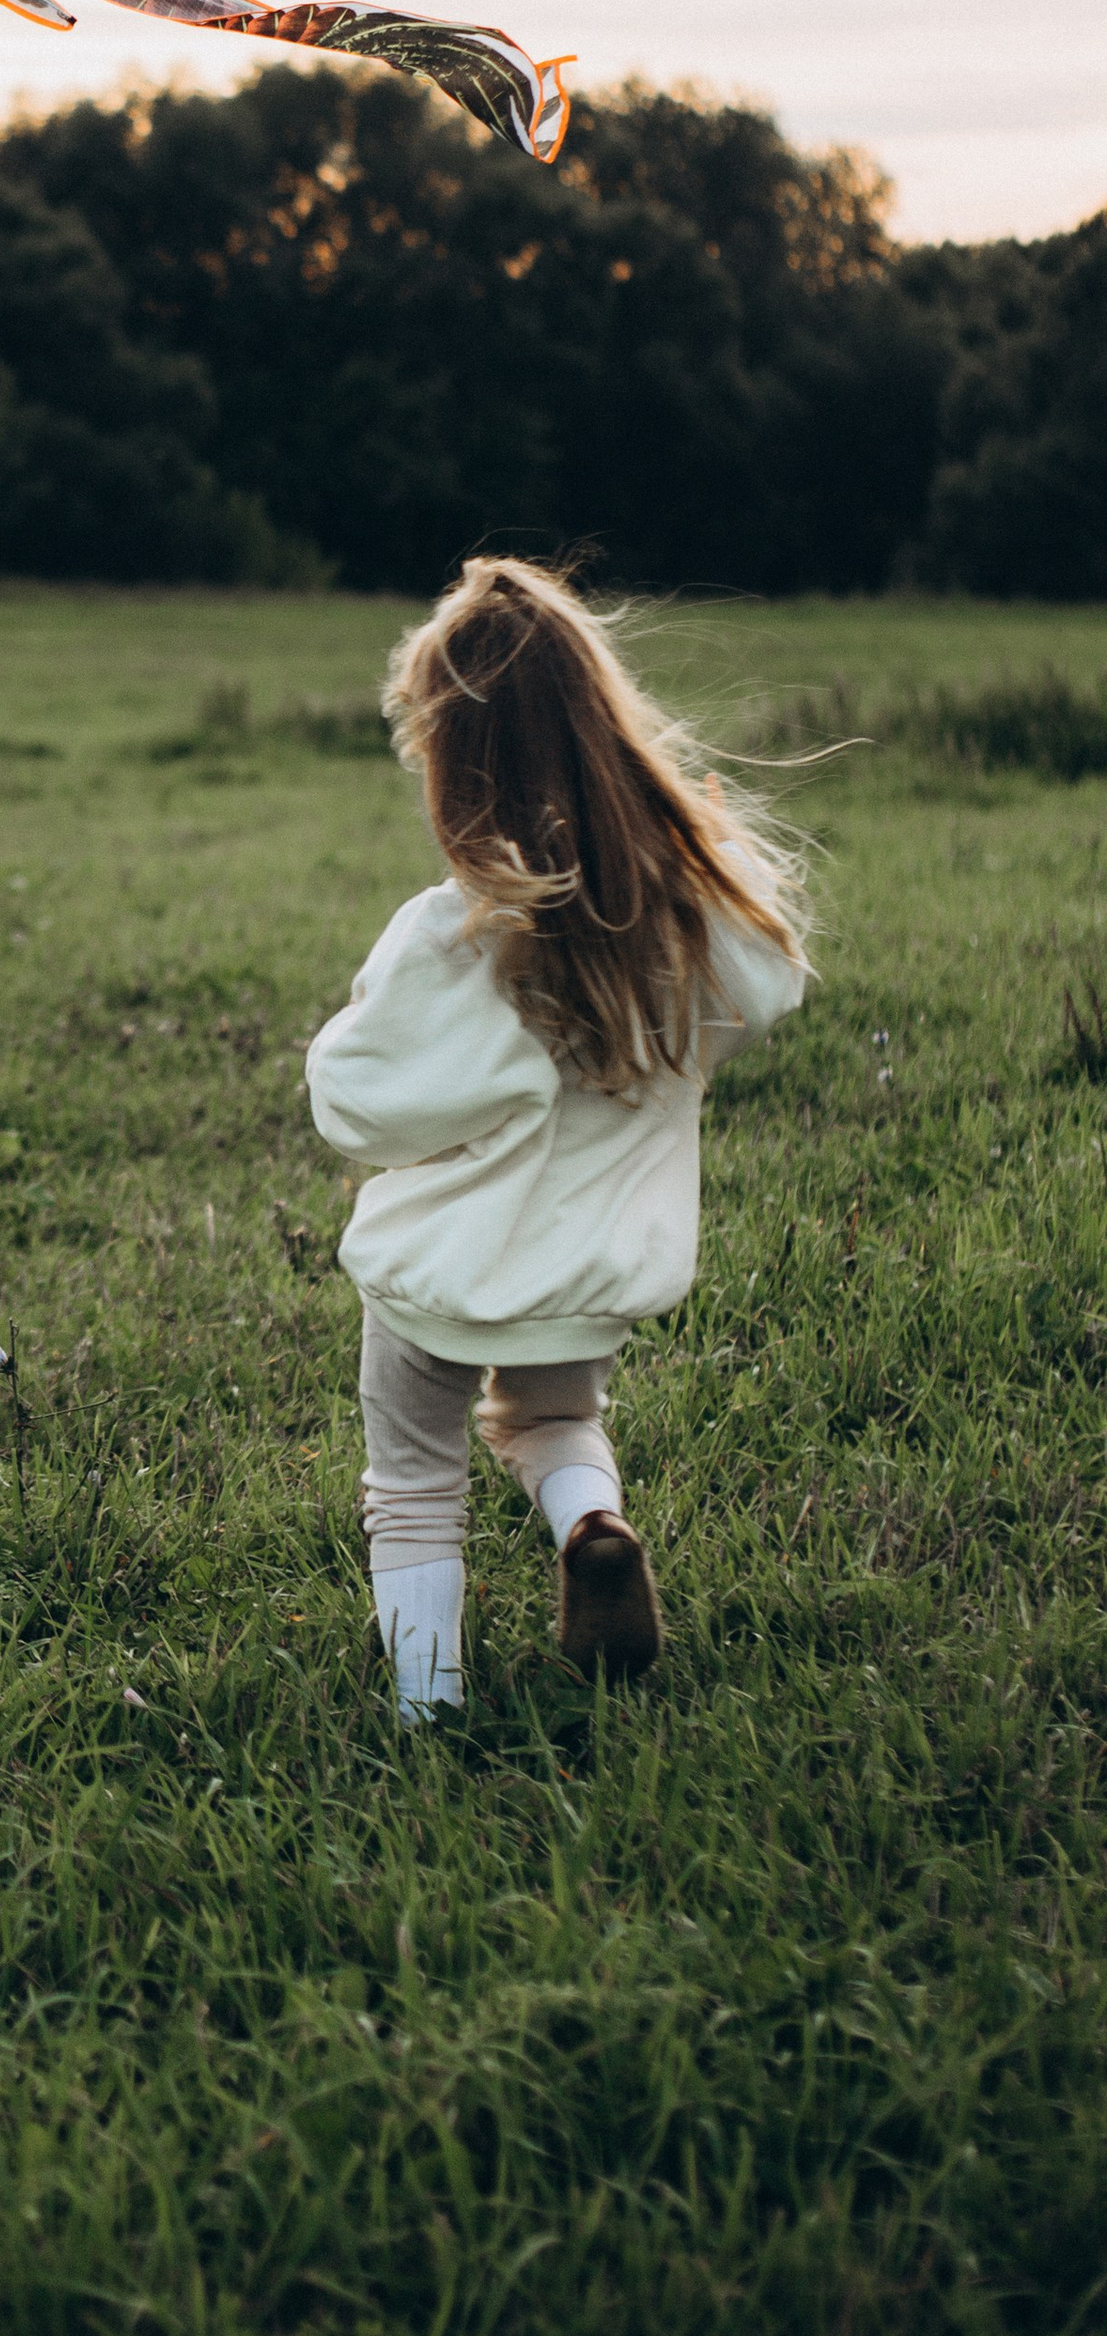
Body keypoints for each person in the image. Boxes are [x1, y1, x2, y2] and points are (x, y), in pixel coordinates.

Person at [304, 557, 809, 1719]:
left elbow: (354, 1106)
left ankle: (425, 1707)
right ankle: (589, 1521)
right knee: (551, 1416)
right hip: (580, 1276)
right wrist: (703, 860)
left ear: (450, 762)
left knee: (414, 1484)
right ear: (603, 727)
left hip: (433, 1278)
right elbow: (771, 981)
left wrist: (345, 1037)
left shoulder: (451, 937)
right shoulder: (681, 923)